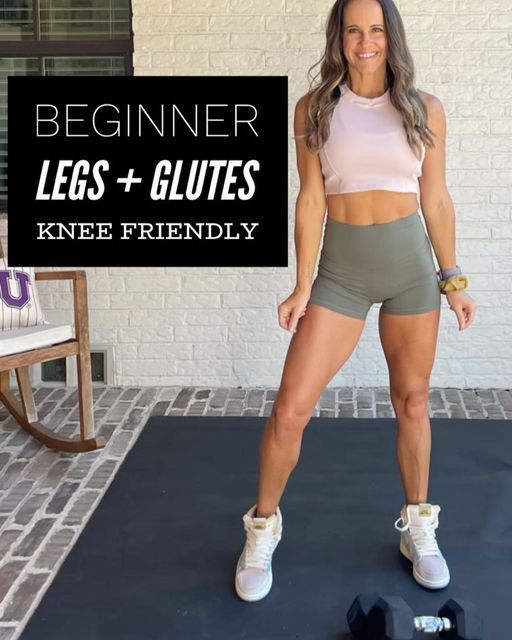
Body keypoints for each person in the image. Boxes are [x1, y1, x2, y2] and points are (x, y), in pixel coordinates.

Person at [234, 0, 477, 603]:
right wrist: (302, 284)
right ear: (338, 39)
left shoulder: (425, 110)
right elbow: (310, 199)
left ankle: (418, 526)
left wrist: (453, 279)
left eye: (375, 30)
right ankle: (262, 527)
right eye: (353, 30)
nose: (365, 42)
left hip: (410, 271)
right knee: (291, 408)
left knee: (412, 401)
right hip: (340, 274)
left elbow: (437, 200)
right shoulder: (315, 109)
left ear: (390, 37)